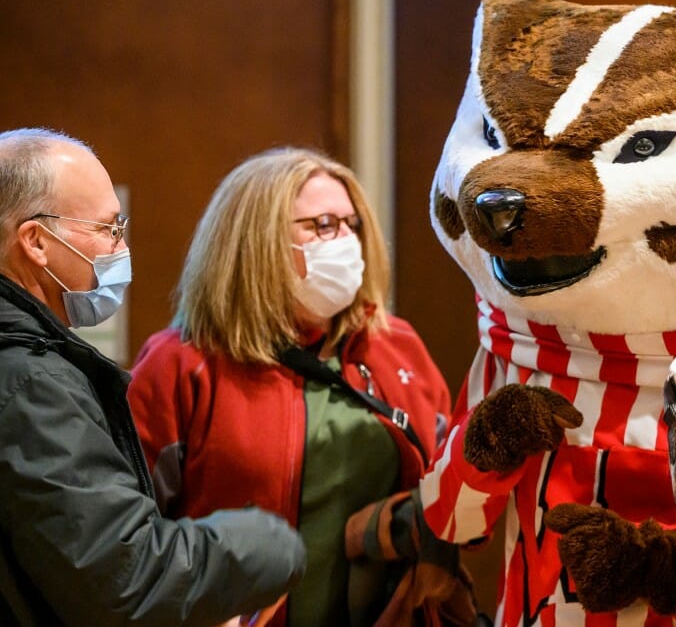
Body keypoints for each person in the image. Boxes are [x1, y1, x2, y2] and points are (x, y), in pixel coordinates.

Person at [128, 146, 480, 627]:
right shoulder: (181, 363)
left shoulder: (396, 346)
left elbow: (452, 493)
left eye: (352, 225)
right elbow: (130, 536)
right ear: (257, 241)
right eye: (322, 225)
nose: (346, 241)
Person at [0, 128, 306, 626]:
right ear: (36, 241)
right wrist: (263, 545)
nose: (120, 247)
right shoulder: (30, 383)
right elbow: (123, 577)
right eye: (107, 228)